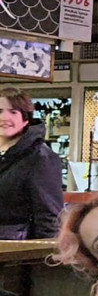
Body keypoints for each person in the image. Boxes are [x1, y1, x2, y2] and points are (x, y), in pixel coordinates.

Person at [0, 86, 63, 240]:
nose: (4, 117)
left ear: (25, 119)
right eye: (0, 111)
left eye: (13, 112)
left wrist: (45, 251)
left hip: (15, 248)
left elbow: (49, 218)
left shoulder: (41, 157)